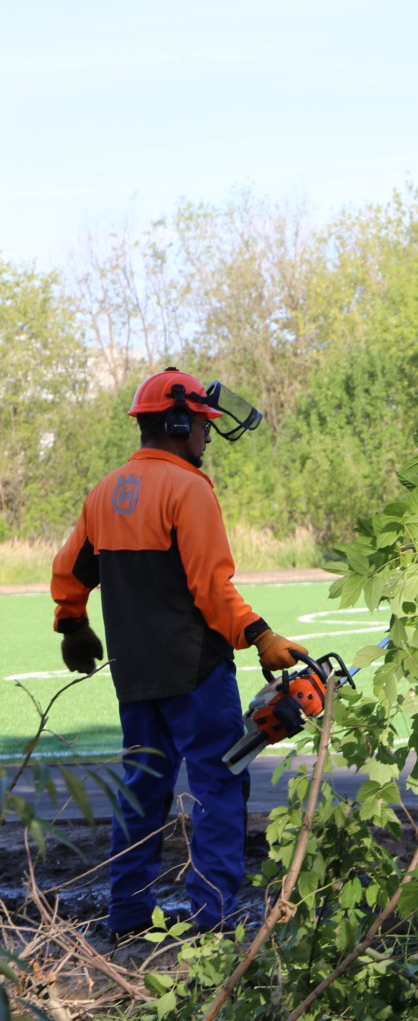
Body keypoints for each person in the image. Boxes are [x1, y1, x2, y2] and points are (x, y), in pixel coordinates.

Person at [50, 367, 306, 936]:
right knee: (218, 785)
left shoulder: (102, 493)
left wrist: (72, 623)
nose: (208, 438)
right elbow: (212, 589)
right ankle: (212, 919)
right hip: (194, 671)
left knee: (143, 790)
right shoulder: (188, 489)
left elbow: (70, 569)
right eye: (202, 427)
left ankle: (126, 917)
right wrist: (261, 636)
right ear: (177, 422)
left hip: (135, 676)